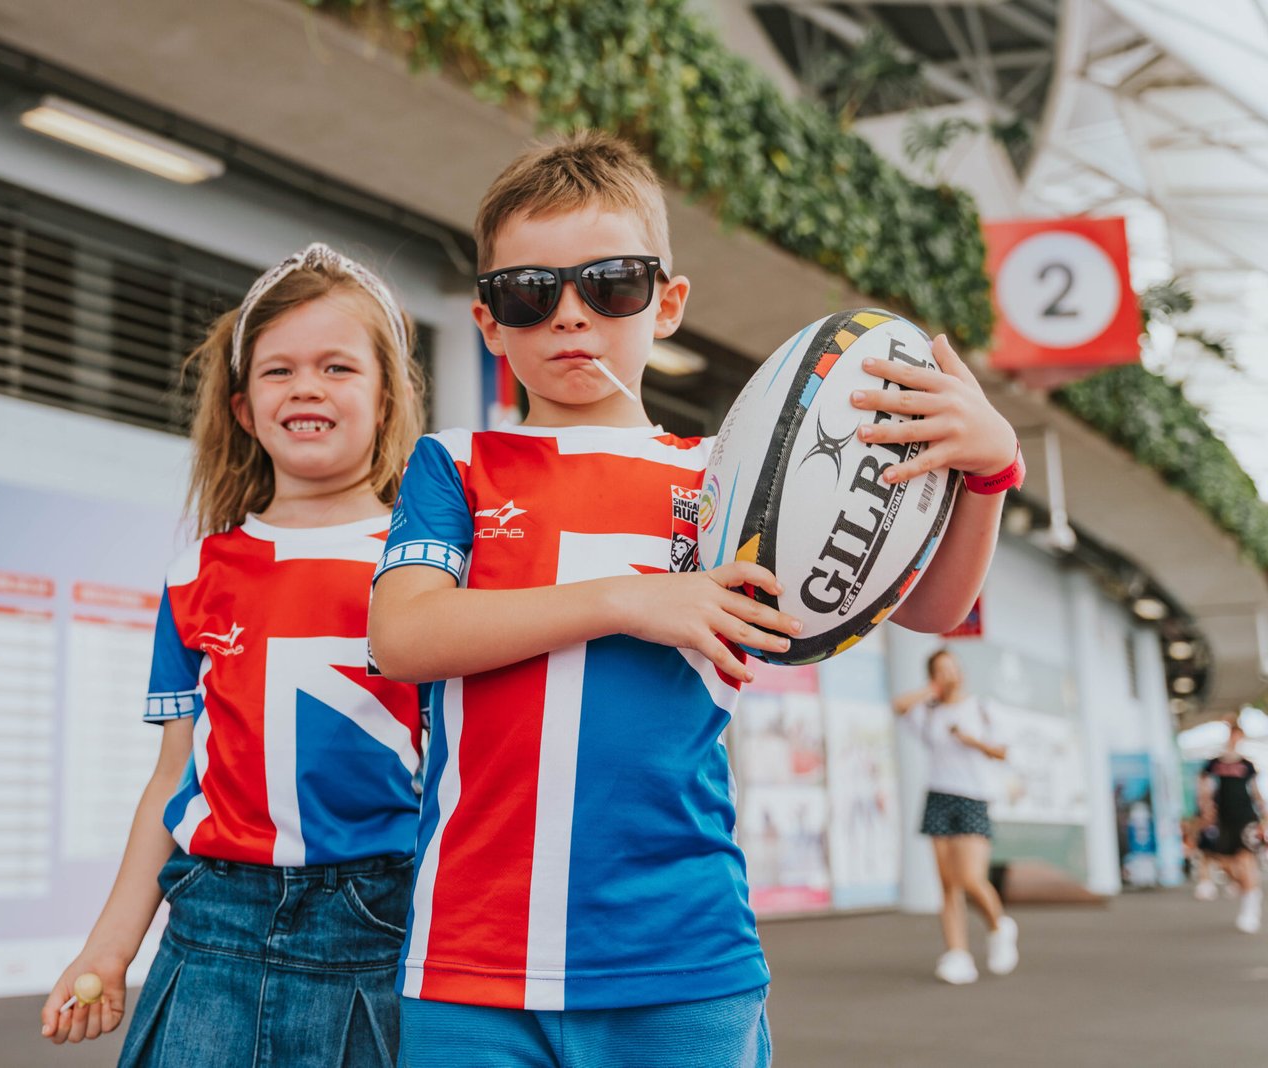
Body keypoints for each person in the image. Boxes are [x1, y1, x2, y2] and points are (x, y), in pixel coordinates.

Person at [368, 132, 1021, 1067]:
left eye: (611, 285)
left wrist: (990, 469)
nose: (569, 317)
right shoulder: (457, 464)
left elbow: (926, 611)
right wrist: (631, 601)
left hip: (683, 954)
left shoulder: (728, 481)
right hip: (471, 961)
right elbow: (403, 635)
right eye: (529, 292)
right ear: (488, 322)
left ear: (666, 304)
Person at [39, 243, 427, 1066]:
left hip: (385, 933)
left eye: (337, 367)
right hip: (212, 933)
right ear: (245, 408)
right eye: (279, 371)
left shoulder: (427, 568)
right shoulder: (196, 575)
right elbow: (172, 778)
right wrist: (109, 950)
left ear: (388, 400)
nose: (308, 388)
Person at [893, 648, 1018, 984]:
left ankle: (998, 926)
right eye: (940, 670)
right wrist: (931, 691)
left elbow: (1001, 752)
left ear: (961, 672)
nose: (949, 674)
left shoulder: (981, 708)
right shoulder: (929, 712)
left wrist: (970, 740)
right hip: (938, 796)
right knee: (948, 885)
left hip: (974, 798)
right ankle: (958, 954)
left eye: (952, 669)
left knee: (971, 878)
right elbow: (899, 706)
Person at [1197, 722, 1265, 932]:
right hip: (1223, 818)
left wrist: (1265, 815)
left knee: (1246, 859)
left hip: (1245, 817)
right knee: (1224, 862)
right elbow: (1204, 786)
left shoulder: (1247, 765)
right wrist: (1205, 807)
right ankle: (1247, 889)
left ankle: (1250, 907)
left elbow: (1255, 791)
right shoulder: (1214, 763)